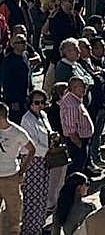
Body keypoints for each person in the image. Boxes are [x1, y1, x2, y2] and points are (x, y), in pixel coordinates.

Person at [20, 90, 52, 235]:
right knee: (32, 197)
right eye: (36, 103)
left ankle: (39, 227)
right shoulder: (27, 119)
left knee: (43, 195)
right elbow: (31, 143)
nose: (39, 105)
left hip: (45, 160)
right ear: (30, 103)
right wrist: (47, 150)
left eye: (42, 102)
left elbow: (48, 133)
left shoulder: (43, 116)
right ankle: (30, 230)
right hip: (32, 161)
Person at [0, 102, 32, 235]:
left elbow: (32, 149)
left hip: (10, 176)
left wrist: (22, 170)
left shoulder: (17, 132)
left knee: (14, 213)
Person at [58, 79, 96, 179]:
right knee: (77, 164)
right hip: (77, 139)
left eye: (83, 86)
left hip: (83, 137)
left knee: (83, 161)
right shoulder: (71, 104)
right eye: (80, 87)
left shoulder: (75, 99)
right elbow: (71, 127)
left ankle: (85, 173)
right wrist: (78, 143)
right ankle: (74, 184)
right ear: (73, 88)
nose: (83, 89)